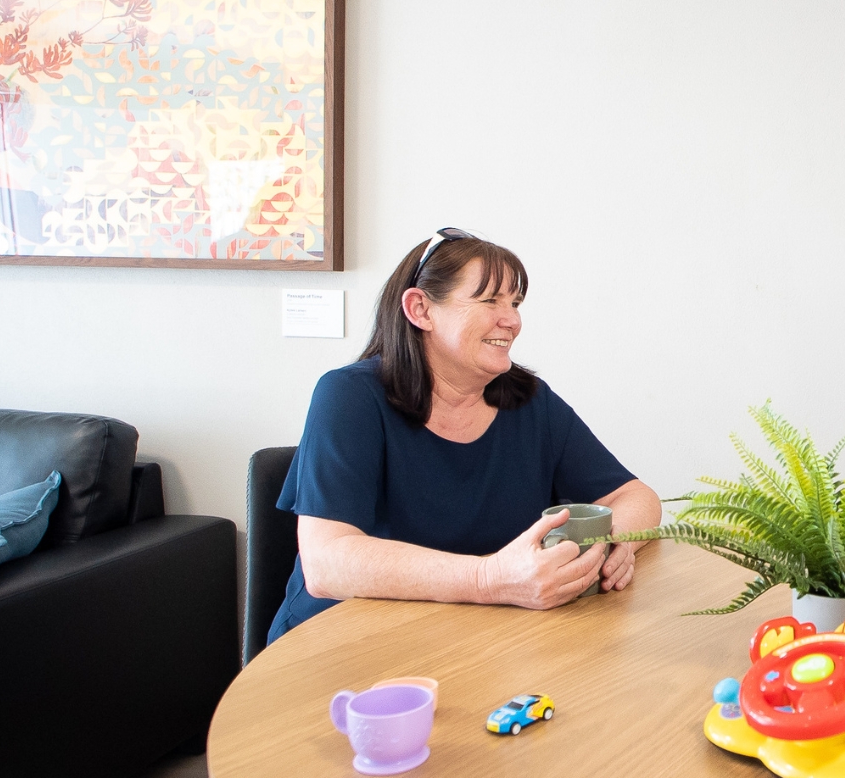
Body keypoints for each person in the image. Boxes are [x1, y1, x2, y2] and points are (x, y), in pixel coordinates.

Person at [265, 230, 661, 644]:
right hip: (342, 644)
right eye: (490, 300)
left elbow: (638, 498)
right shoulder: (349, 397)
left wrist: (614, 547)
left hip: (473, 641)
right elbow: (327, 564)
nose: (512, 320)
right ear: (420, 309)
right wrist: (489, 578)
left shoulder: (531, 403)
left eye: (515, 303)